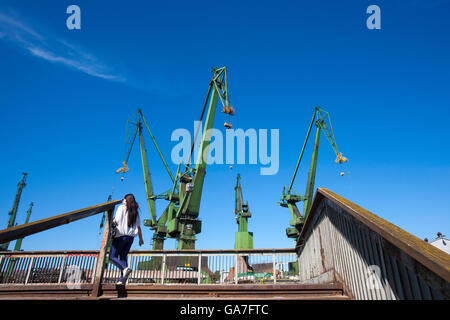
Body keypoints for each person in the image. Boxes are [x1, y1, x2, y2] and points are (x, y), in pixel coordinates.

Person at [109, 193, 144, 285]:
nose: (123, 201)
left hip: (120, 236)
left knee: (112, 256)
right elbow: (139, 227)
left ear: (126, 200)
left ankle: (125, 268)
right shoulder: (135, 212)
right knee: (123, 257)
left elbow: (116, 220)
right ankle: (122, 280)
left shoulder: (121, 208)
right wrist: (141, 239)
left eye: (124, 199)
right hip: (130, 238)